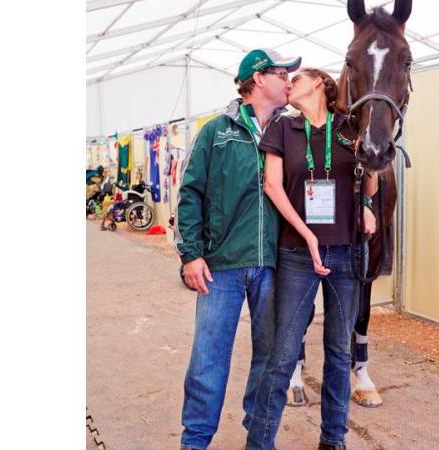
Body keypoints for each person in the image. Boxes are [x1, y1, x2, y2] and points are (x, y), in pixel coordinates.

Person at [174, 48, 301, 450]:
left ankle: (260, 440)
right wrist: (191, 254)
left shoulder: (293, 133)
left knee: (270, 360)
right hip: (221, 265)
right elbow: (190, 193)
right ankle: (195, 442)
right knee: (208, 361)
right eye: (282, 74)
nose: (289, 81)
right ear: (258, 79)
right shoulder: (217, 131)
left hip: (275, 266)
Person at [244, 68, 378, 450]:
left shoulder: (350, 129)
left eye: (297, 79)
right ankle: (259, 443)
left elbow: (368, 182)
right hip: (298, 253)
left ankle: (333, 440)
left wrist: (368, 195)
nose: (289, 84)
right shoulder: (283, 129)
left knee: (338, 352)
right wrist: (308, 234)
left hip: (347, 252)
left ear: (319, 83)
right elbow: (272, 185)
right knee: (283, 351)